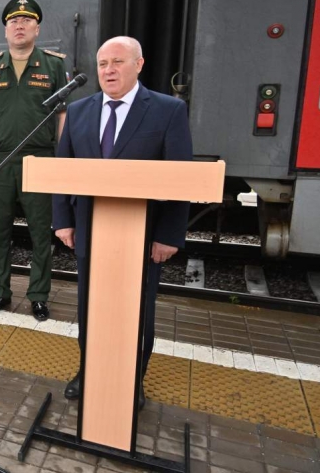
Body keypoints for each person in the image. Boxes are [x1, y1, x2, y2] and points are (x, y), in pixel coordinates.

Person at [53, 36, 193, 409]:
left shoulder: (167, 110)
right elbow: (62, 170)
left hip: (143, 237)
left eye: (117, 62)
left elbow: (181, 178)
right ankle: (89, 369)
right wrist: (63, 220)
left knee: (138, 311)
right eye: (102, 64)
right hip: (90, 230)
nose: (109, 70)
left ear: (139, 65)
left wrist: (168, 235)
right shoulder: (79, 110)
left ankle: (133, 379)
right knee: (89, 307)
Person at [0, 0, 69, 322]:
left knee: (40, 233)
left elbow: (63, 116)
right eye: (14, 21)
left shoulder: (54, 65)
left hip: (40, 159)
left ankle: (38, 296)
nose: (20, 25)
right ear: (6, 30)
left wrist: (61, 158)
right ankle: (0, 291)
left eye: (27, 20)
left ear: (37, 29)